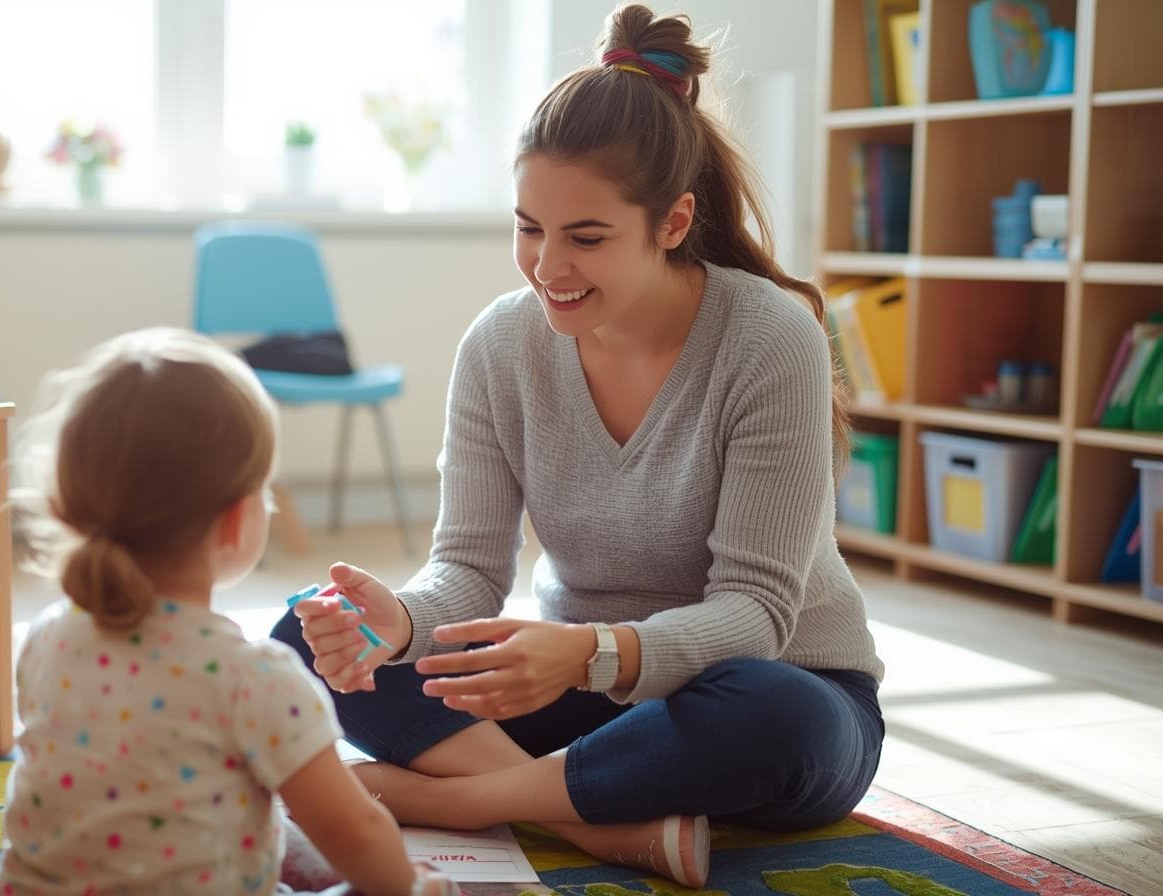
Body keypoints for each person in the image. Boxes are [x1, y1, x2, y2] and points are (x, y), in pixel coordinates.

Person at [274, 3, 885, 889]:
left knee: (772, 709)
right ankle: (601, 823)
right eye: (529, 228)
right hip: (586, 705)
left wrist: (594, 650)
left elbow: (756, 614)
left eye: (586, 237)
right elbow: (467, 572)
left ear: (672, 224)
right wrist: (393, 623)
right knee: (302, 631)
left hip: (769, 689)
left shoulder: (769, 338)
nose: (547, 267)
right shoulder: (500, 343)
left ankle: (454, 797)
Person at [0, 328, 453, 896]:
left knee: (277, 829)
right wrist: (411, 885)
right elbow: (354, 830)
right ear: (238, 520)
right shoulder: (253, 676)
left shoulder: (46, 637)